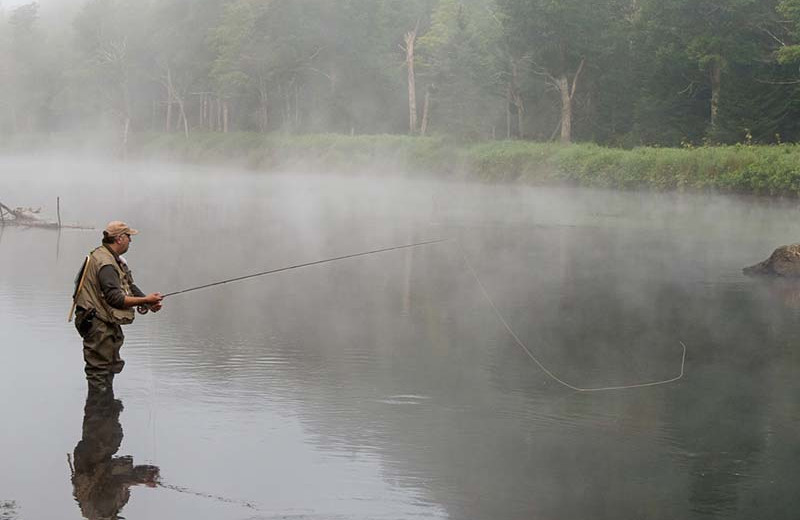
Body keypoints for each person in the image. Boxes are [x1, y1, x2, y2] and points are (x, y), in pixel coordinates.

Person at [72, 221, 163, 391]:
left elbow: (128, 285)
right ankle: (99, 411)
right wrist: (144, 301)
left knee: (107, 370)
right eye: (129, 236)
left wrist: (147, 301)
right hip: (97, 325)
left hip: (102, 323)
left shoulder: (111, 258)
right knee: (100, 373)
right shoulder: (106, 263)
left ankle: (105, 412)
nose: (131, 240)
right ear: (119, 239)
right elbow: (115, 298)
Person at [71, 386, 160, 519]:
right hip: (96, 456)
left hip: (93, 457)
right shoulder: (108, 510)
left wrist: (140, 480)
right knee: (100, 404)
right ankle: (103, 398)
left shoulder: (102, 512)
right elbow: (118, 480)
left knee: (99, 403)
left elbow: (114, 482)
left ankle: (103, 398)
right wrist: (142, 477)